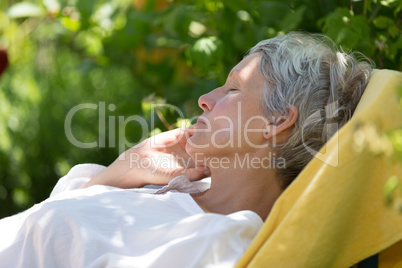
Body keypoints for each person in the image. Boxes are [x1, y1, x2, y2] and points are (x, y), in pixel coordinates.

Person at [0, 32, 372, 267]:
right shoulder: (169, 189)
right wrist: (117, 172)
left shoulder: (219, 242)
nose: (205, 99)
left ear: (275, 123)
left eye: (232, 89)